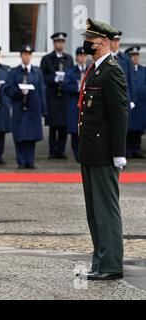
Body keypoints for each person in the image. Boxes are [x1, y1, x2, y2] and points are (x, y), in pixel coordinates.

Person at [78, 19, 128, 281]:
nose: (88, 42)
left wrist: (119, 153)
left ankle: (110, 264)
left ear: (105, 41)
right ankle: (100, 261)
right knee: (94, 211)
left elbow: (119, 116)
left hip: (105, 153)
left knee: (106, 210)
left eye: (92, 38)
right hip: (90, 151)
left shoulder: (112, 71)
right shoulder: (96, 70)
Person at [5, 45, 47, 170]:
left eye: (29, 54)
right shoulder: (14, 72)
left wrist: (44, 110)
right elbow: (7, 89)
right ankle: (21, 161)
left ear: (31, 56)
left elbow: (42, 91)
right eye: (24, 54)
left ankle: (30, 161)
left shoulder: (37, 72)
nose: (27, 56)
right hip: (19, 109)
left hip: (33, 109)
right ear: (21, 55)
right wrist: (18, 91)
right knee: (20, 136)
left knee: (31, 136)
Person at [40, 32, 74, 159]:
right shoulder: (47, 59)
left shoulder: (69, 58)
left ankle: (61, 150)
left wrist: (66, 79)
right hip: (53, 95)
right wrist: (54, 78)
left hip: (65, 96)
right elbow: (42, 77)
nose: (60, 44)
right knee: (54, 125)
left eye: (62, 42)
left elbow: (72, 74)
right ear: (54, 43)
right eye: (58, 42)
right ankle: (52, 151)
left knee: (64, 125)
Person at [110, 31, 137, 158]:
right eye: (114, 41)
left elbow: (131, 79)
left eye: (117, 41)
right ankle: (110, 155)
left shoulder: (124, 59)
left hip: (124, 99)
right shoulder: (106, 58)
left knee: (122, 129)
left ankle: (121, 156)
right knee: (110, 128)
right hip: (110, 99)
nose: (116, 43)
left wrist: (132, 99)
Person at [62, 47, 89, 162]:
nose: (82, 58)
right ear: (77, 57)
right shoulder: (71, 72)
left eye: (84, 56)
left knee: (86, 132)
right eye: (80, 56)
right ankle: (77, 154)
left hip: (88, 106)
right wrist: (78, 87)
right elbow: (65, 86)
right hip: (75, 105)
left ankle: (85, 154)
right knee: (75, 132)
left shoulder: (90, 70)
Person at [125, 46, 146, 158]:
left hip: (141, 105)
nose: (135, 57)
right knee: (128, 127)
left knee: (138, 128)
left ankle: (136, 149)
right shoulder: (127, 70)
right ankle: (127, 150)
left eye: (137, 55)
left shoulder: (143, 70)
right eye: (133, 55)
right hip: (129, 103)